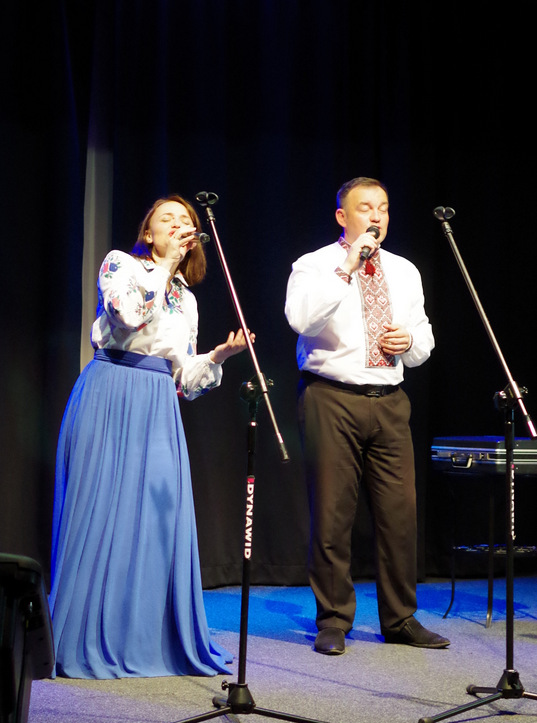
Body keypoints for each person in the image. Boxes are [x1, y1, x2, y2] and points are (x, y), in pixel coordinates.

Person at [49, 194, 253, 679]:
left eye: (186, 220)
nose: (179, 225)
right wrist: (163, 268)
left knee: (159, 519)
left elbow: (185, 381)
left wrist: (218, 357)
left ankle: (146, 636)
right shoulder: (121, 264)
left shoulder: (189, 299)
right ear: (149, 233)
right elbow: (128, 315)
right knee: (100, 512)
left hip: (158, 404)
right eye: (168, 219)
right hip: (110, 390)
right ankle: (81, 634)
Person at [285, 177, 449, 655]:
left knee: (400, 515)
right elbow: (301, 319)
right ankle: (334, 619)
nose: (376, 216)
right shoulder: (315, 264)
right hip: (331, 396)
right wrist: (348, 267)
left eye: (383, 208)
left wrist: (410, 342)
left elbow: (423, 337)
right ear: (342, 216)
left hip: (390, 399)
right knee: (332, 513)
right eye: (365, 208)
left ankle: (400, 618)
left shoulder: (404, 270)